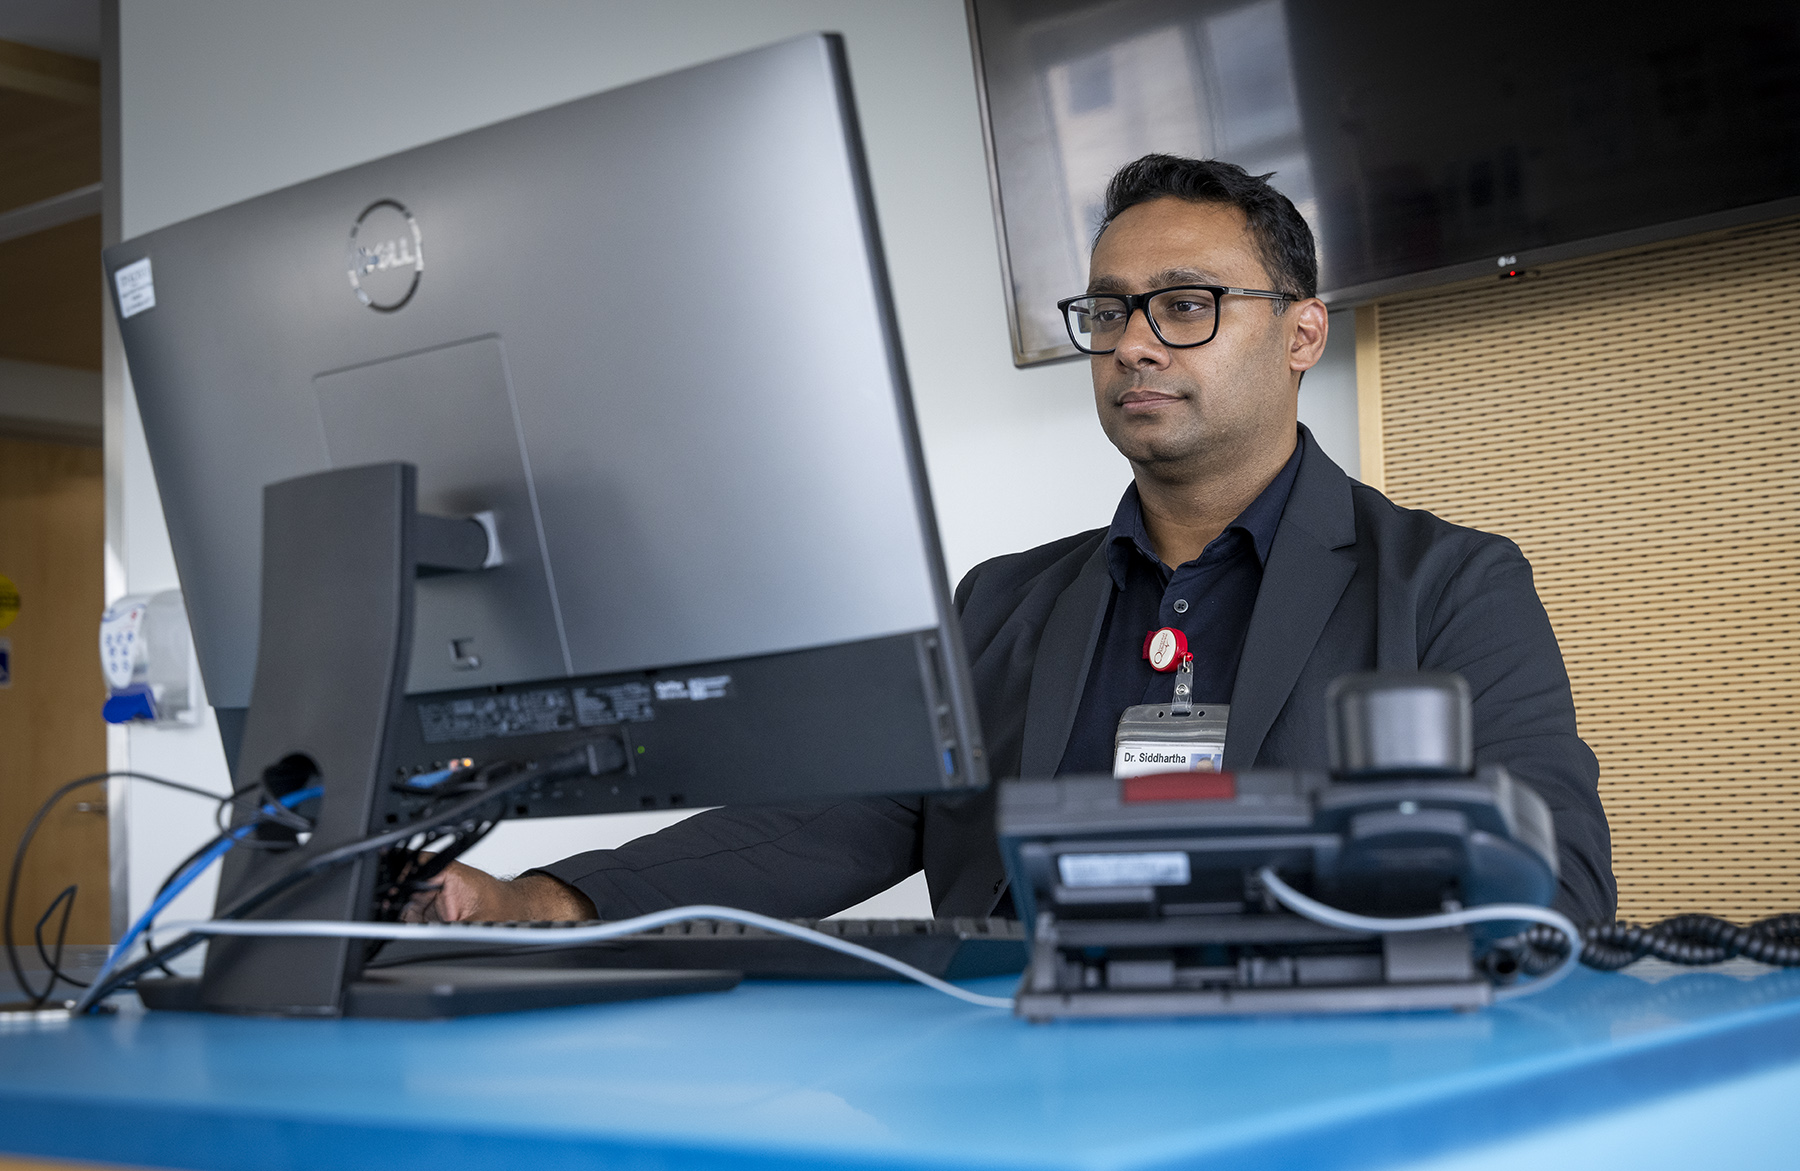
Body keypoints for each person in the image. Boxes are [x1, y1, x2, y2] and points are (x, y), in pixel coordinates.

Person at [402, 155, 1616, 928]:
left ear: (1302, 334)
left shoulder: (1451, 586)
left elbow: (1560, 888)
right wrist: (544, 897)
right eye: (1109, 310)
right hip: (1014, 1087)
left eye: (1184, 305)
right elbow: (824, 823)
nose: (1132, 343)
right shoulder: (999, 604)